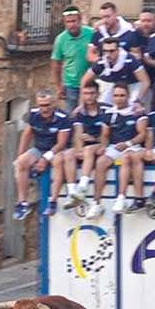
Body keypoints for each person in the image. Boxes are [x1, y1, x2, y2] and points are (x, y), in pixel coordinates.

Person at [50, 82, 107, 219]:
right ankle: (72, 191)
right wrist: (78, 150)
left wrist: (94, 138)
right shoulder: (79, 113)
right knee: (69, 153)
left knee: (88, 150)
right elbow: (78, 133)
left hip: (101, 144)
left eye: (92, 93)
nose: (89, 97)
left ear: (98, 94)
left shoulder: (106, 110)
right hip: (87, 146)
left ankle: (83, 185)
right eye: (86, 93)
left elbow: (107, 134)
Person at [13, 90, 71, 221]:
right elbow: (27, 135)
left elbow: (61, 143)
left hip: (56, 149)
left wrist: (45, 159)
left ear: (53, 104)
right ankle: (22, 202)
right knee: (21, 163)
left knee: (57, 162)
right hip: (39, 148)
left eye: (47, 105)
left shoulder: (62, 118)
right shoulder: (33, 115)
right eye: (41, 105)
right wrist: (20, 155)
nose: (44, 109)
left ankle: (53, 200)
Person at [94, 83, 145, 212]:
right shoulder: (109, 113)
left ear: (128, 96)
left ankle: (121, 198)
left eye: (122, 95)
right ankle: (96, 203)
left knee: (126, 158)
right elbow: (105, 134)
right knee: (101, 162)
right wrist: (103, 146)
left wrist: (128, 144)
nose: (119, 98)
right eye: (116, 96)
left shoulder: (137, 112)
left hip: (133, 147)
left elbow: (143, 134)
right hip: (115, 147)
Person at [81, 36, 149, 109]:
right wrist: (82, 104)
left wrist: (138, 100)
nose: (108, 54)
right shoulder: (102, 61)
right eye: (105, 51)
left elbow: (145, 81)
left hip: (132, 86)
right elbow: (84, 80)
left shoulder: (130, 60)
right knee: (103, 107)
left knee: (132, 108)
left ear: (118, 50)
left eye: (111, 51)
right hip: (114, 86)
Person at [52, 5, 93, 112]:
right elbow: (56, 64)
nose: (71, 25)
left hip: (91, 84)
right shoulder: (61, 39)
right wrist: (58, 86)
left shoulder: (92, 33)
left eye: (74, 21)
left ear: (80, 20)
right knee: (71, 117)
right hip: (71, 85)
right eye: (68, 22)